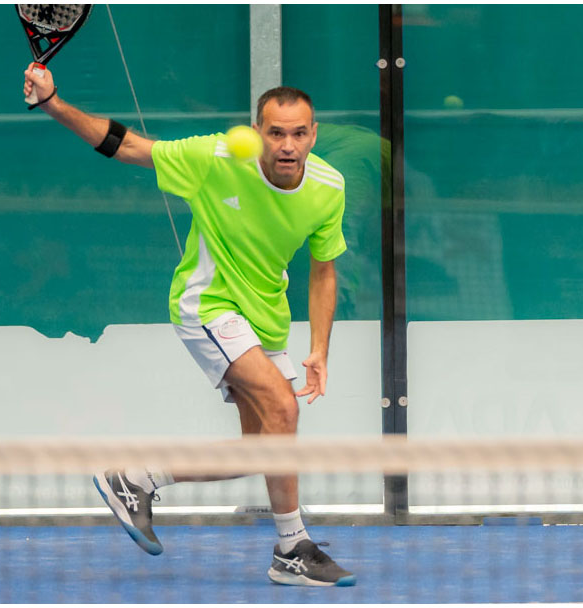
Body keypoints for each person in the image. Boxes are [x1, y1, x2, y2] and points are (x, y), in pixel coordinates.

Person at [23, 64, 355, 588]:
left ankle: (138, 479)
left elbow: (324, 269)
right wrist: (53, 104)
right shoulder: (215, 159)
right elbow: (128, 146)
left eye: (298, 133)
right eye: (276, 133)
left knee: (269, 444)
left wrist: (319, 347)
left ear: (313, 134)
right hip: (208, 304)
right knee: (283, 408)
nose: (288, 145)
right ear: (258, 133)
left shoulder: (329, 187)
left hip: (266, 318)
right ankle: (294, 543)